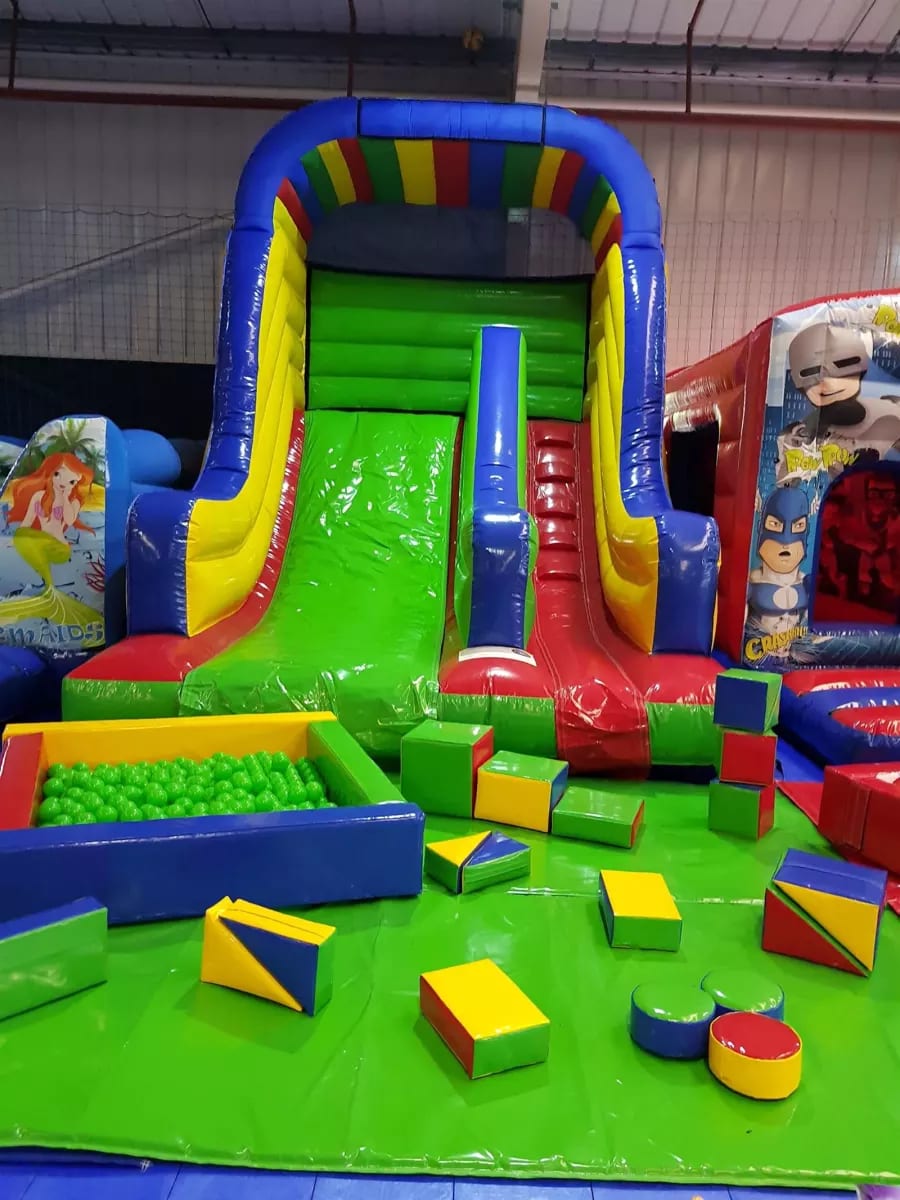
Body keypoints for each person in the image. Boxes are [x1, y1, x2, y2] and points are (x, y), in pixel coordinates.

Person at [779, 324, 900, 473]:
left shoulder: (889, 410)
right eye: (811, 373)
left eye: (843, 365)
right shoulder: (805, 434)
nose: (828, 384)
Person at [747, 487, 811, 634]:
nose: (786, 542)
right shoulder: (752, 582)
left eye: (798, 526)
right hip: (757, 645)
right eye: (775, 524)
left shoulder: (806, 583)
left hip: (796, 644)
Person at [3, 452, 94, 543]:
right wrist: (18, 539)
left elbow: (69, 521)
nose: (63, 482)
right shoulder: (39, 496)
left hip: (58, 543)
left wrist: (65, 498)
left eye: (72, 482)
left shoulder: (74, 501)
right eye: (57, 474)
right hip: (40, 541)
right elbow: (27, 521)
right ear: (51, 472)